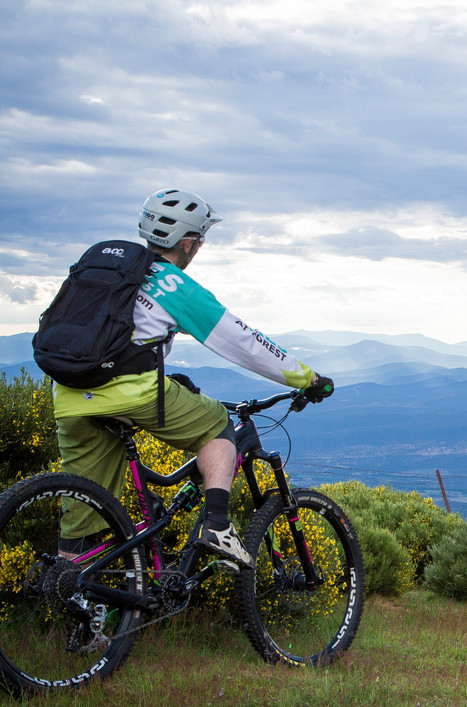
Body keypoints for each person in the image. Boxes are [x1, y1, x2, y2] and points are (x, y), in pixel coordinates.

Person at [54, 189, 334, 570]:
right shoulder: (174, 286)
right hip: (130, 394)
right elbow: (244, 342)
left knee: (85, 512)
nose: (198, 248)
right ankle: (218, 525)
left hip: (69, 392)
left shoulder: (105, 274)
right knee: (219, 426)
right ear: (187, 243)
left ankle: (70, 590)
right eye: (199, 241)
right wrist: (307, 378)